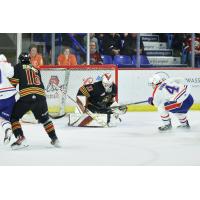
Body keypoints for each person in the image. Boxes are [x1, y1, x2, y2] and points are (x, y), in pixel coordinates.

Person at [9, 53, 60, 149]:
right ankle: (55, 139)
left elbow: (12, 85)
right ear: (29, 59)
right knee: (45, 119)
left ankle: (20, 137)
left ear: (20, 60)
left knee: (14, 118)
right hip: (41, 97)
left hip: (26, 97)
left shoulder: (18, 67)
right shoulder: (36, 68)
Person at [0, 54, 17, 144]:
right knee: (10, 117)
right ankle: (18, 134)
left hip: (0, 97)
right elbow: (12, 74)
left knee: (1, 118)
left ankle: (7, 128)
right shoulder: (7, 65)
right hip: (10, 95)